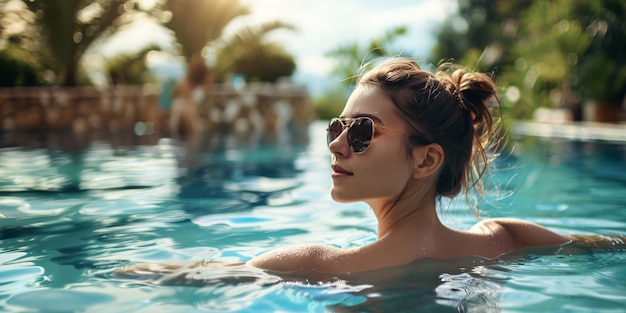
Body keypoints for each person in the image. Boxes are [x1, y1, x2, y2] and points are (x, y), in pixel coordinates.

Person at [246, 57, 572, 273]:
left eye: (362, 130)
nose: (335, 144)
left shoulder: (316, 268)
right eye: (337, 127)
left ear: (427, 159)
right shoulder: (505, 239)